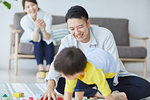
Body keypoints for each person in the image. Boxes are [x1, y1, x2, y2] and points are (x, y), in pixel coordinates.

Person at [44, 5, 150, 100]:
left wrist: (102, 85)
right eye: (72, 29)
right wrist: (50, 87)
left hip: (108, 77)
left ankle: (99, 92)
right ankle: (104, 94)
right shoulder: (67, 40)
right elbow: (56, 65)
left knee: (145, 87)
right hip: (81, 77)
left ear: (88, 23)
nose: (76, 32)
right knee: (61, 84)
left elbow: (114, 63)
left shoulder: (105, 34)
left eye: (80, 27)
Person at [54, 47, 127, 100]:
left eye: (64, 75)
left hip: (109, 70)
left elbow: (107, 95)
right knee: (78, 88)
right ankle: (93, 96)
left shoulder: (95, 73)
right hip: (93, 57)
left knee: (104, 93)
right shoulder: (75, 70)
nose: (63, 76)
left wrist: (110, 96)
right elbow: (68, 91)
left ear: (75, 73)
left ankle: (119, 95)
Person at [20, 0, 54, 75]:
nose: (31, 8)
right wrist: (36, 28)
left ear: (37, 5)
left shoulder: (47, 15)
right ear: (25, 9)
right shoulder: (24, 20)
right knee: (38, 42)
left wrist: (43, 30)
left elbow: (48, 37)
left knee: (49, 42)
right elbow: (35, 38)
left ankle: (49, 67)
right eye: (28, 7)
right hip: (32, 38)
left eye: (33, 5)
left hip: (45, 37)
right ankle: (40, 68)